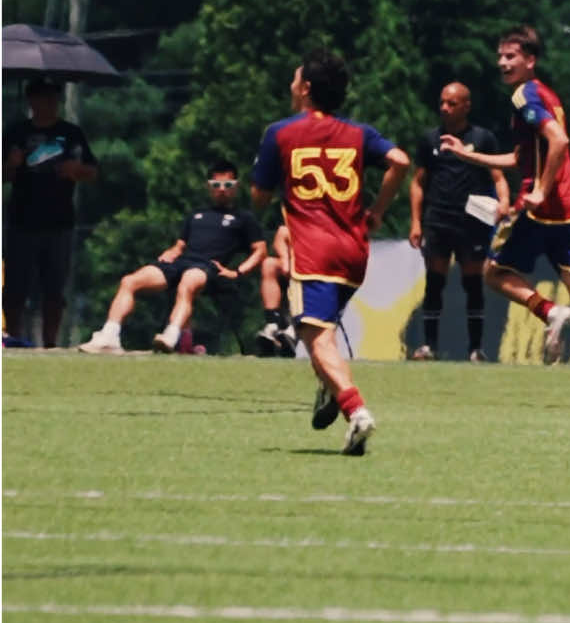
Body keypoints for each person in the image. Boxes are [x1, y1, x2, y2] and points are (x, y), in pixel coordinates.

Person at [440, 24, 570, 408]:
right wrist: (468, 154)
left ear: (531, 60)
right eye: (501, 56)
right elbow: (521, 158)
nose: (503, 63)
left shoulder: (525, 95)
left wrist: (540, 190)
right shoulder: (546, 95)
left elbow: (559, 141)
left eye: (511, 56)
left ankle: (548, 311)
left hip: (540, 209)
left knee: (492, 272)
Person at [250, 49, 409, 456]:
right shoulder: (358, 134)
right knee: (325, 334)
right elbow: (400, 161)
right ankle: (330, 391)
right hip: (353, 254)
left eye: (293, 78)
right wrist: (377, 210)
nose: (290, 85)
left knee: (315, 339)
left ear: (304, 88)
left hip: (313, 254)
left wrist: (270, 194)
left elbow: (259, 197)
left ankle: (355, 411)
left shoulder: (280, 133)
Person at [79, 161, 267, 354]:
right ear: (208, 186)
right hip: (180, 262)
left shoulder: (244, 218)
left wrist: (237, 272)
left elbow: (260, 250)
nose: (221, 190)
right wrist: (171, 252)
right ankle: (110, 336)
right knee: (129, 281)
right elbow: (180, 245)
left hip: (208, 267)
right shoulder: (196, 215)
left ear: (236, 186)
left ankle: (170, 335)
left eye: (227, 185)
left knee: (187, 283)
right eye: (216, 185)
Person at [408, 82, 510, 361]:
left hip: (473, 222)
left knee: (472, 283)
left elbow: (498, 176)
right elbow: (418, 183)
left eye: (451, 103)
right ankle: (429, 346)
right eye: (442, 102)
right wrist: (416, 222)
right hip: (438, 220)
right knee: (435, 281)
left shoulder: (483, 138)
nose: (444, 108)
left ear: (466, 106)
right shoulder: (430, 140)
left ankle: (475, 349)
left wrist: (503, 202)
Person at [3, 76, 99, 347]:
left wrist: (75, 171)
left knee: (53, 289)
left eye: (53, 97)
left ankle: (50, 343)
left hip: (59, 222)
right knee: (15, 289)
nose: (49, 102)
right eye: (43, 97)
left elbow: (93, 171)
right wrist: (11, 165)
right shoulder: (15, 133)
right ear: (31, 100)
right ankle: (14, 338)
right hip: (22, 220)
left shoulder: (71, 134)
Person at [256, 224, 298, 357]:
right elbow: (282, 235)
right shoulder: (296, 219)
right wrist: (285, 260)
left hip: (317, 273)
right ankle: (272, 324)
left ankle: (294, 329)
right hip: (293, 268)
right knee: (269, 264)